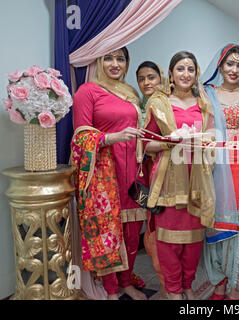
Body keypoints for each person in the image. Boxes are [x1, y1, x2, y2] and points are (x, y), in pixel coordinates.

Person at [71, 47, 148, 300]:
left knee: (132, 231)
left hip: (134, 172)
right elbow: (81, 136)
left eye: (121, 59)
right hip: (105, 175)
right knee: (107, 233)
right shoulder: (88, 91)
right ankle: (111, 290)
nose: (115, 64)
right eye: (109, 59)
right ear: (98, 61)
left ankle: (126, 283)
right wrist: (113, 137)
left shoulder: (131, 93)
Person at [143, 51, 216, 300]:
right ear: (171, 75)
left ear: (196, 75)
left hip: (197, 180)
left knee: (194, 242)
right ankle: (173, 290)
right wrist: (169, 142)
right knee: (168, 241)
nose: (186, 74)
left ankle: (188, 286)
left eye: (191, 69)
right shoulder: (158, 102)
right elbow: (145, 144)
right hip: (168, 181)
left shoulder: (204, 104)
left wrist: (205, 145)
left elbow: (213, 141)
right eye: (181, 69)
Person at [202, 44, 239, 300]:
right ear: (220, 65)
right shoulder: (207, 94)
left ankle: (237, 284)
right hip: (212, 170)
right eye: (230, 63)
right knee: (214, 224)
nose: (234, 69)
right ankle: (219, 281)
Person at [135, 60, 167, 298]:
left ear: (161, 78)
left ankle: (170, 283)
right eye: (142, 78)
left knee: (162, 222)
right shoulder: (136, 106)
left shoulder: (166, 105)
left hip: (163, 172)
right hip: (140, 174)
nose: (147, 82)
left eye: (151, 77)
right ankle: (164, 280)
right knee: (150, 222)